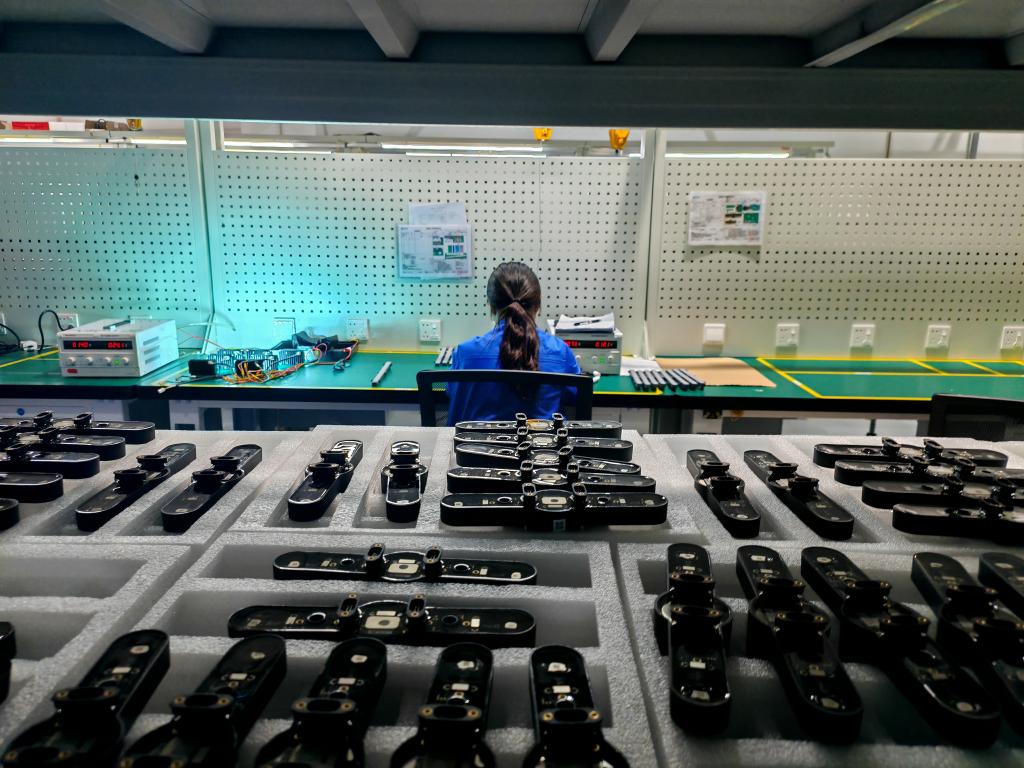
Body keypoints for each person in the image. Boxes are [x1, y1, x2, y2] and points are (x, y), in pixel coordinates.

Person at [447, 261, 582, 423]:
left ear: (491, 306)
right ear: (538, 305)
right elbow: (576, 395)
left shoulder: (464, 353)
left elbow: (452, 392)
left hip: (477, 440)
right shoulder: (560, 352)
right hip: (541, 440)